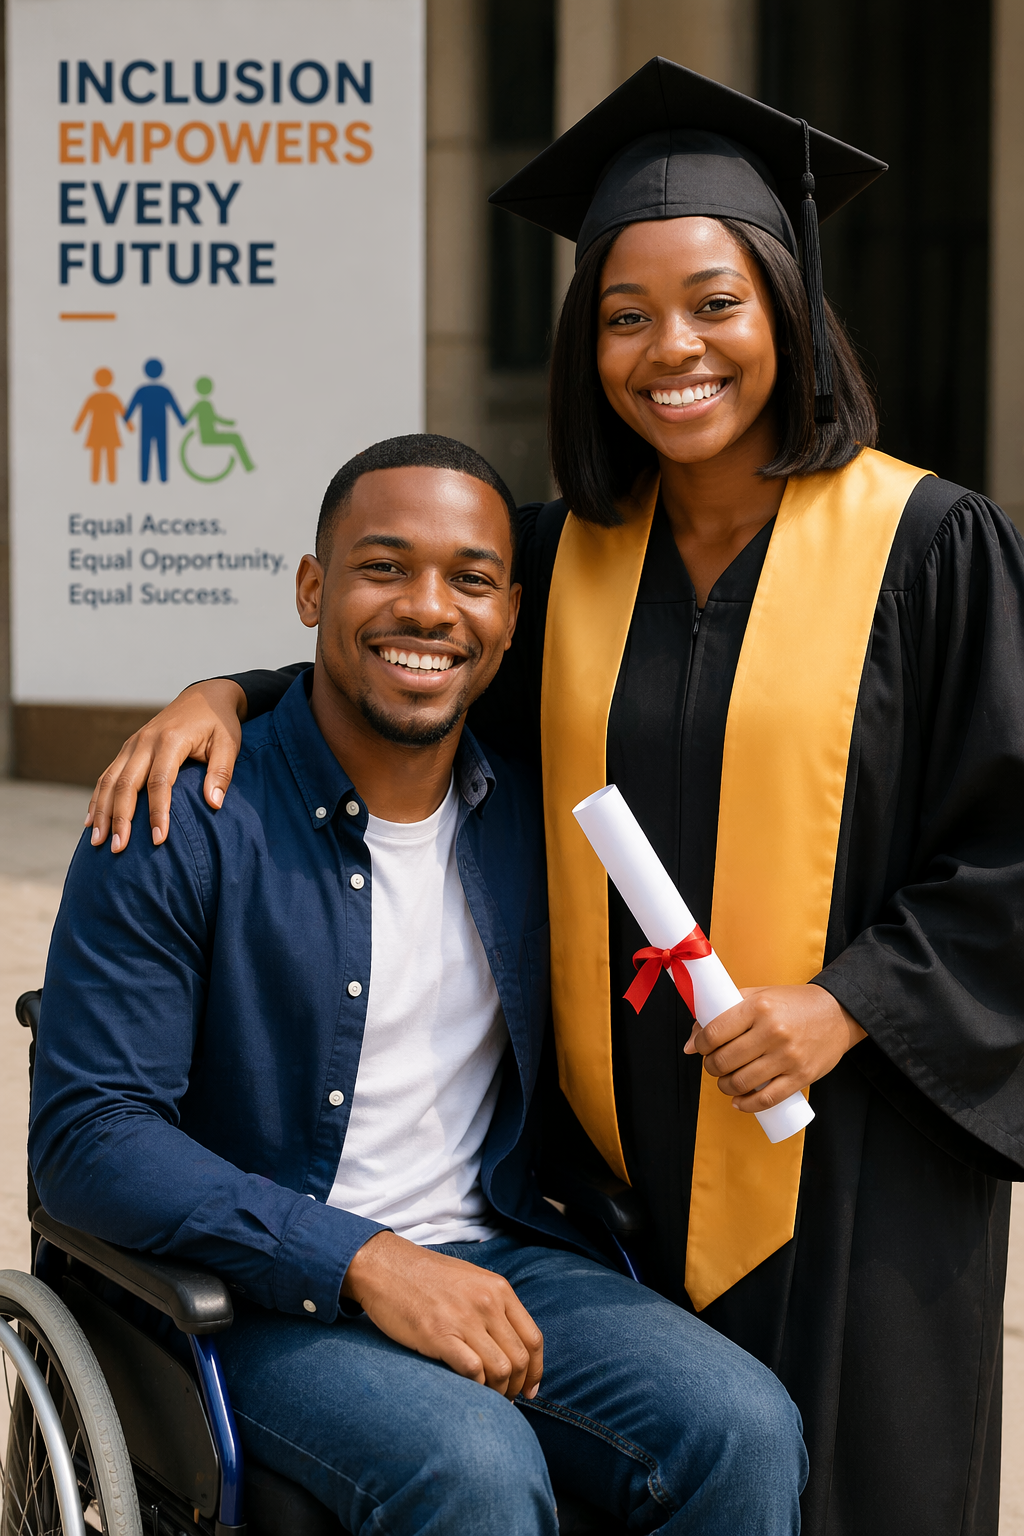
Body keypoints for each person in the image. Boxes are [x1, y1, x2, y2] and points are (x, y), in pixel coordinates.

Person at [84, 61, 1024, 1536]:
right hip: (632, 1151)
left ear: (787, 307)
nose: (672, 349)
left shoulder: (930, 545)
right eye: (624, 315)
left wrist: (848, 1005)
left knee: (841, 1469)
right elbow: (401, 660)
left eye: (715, 303)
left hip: (857, 1134)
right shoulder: (564, 559)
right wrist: (225, 694)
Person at [33, 434, 806, 1536]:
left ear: (511, 615)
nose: (430, 608)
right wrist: (362, 1259)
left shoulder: (537, 814)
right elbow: (88, 1140)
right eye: (384, 567)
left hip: (495, 1252)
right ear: (312, 589)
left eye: (470, 579)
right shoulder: (178, 817)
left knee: (744, 1427)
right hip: (245, 1294)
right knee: (472, 1467)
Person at [123, 357, 187, 483]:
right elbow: (174, 406)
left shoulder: (142, 390)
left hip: (146, 425)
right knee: (162, 451)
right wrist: (181, 420)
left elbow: (131, 407)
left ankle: (144, 478)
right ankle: (163, 477)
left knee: (145, 451)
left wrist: (126, 418)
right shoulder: (164, 390)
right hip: (161, 425)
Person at [72, 366, 133, 483]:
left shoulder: (93, 398)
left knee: (98, 455)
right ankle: (111, 478)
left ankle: (97, 479)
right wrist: (129, 426)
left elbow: (84, 413)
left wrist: (77, 427)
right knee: (109, 455)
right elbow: (123, 413)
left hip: (98, 432)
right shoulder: (112, 397)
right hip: (108, 432)